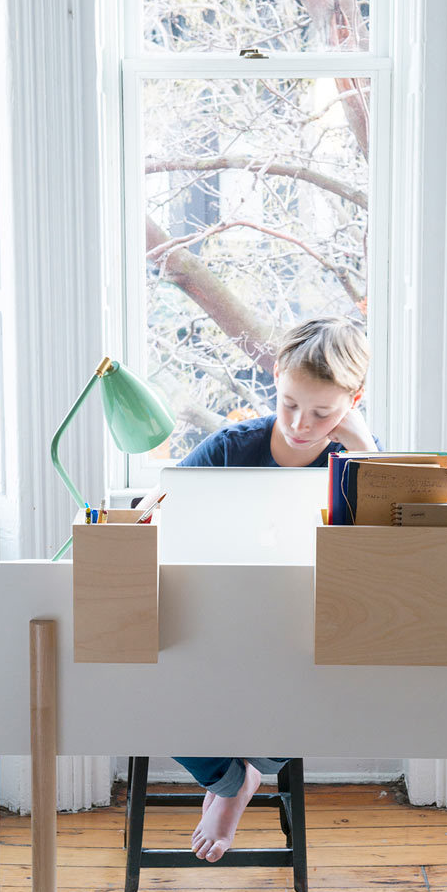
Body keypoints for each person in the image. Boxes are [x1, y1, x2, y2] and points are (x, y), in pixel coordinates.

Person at [140, 316, 379, 863]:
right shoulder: (230, 447)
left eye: (323, 412)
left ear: (354, 400)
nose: (300, 423)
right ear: (275, 376)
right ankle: (230, 781)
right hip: (212, 621)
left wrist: (362, 445)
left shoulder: (361, 462)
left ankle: (252, 771)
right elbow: (156, 513)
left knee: (326, 681)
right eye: (290, 402)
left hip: (304, 632)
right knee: (138, 672)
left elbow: (382, 559)